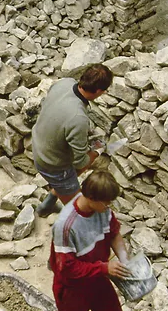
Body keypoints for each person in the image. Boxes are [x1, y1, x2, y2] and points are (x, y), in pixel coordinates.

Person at [37, 170, 131, 311]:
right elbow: (67, 269)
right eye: (105, 203)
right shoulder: (66, 225)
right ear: (90, 197)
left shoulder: (102, 211)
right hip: (73, 287)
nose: (108, 207)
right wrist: (104, 267)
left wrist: (124, 260)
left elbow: (113, 233)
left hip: (97, 279)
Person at [32, 64, 113, 216]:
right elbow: (80, 162)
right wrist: (97, 151)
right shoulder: (78, 118)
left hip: (39, 146)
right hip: (52, 164)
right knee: (79, 210)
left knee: (67, 179)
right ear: (99, 91)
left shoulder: (65, 83)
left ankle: (46, 207)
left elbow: (58, 113)